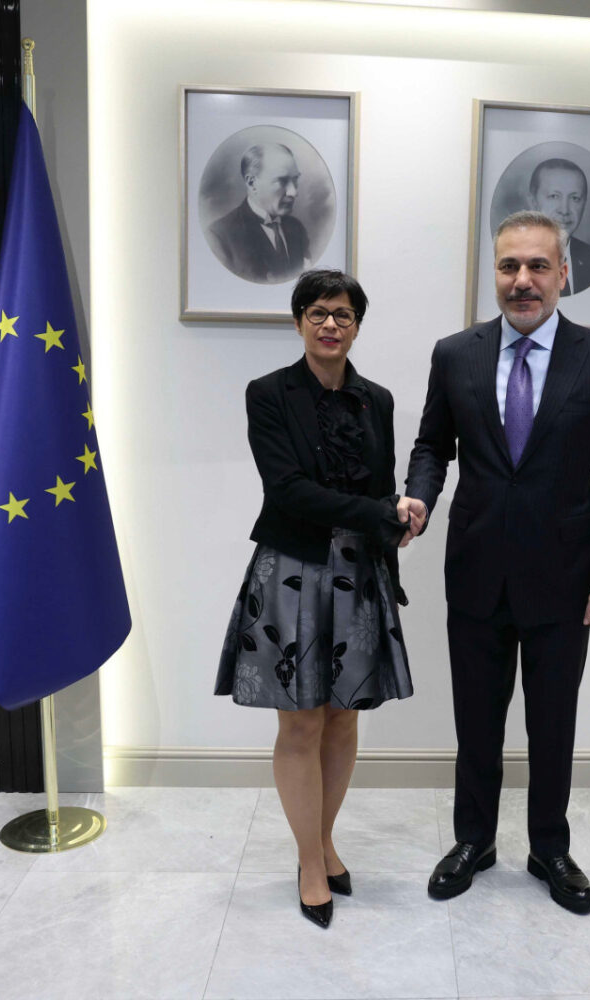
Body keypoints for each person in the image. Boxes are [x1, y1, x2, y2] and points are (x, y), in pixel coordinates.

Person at [399, 211, 590, 914]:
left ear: (564, 273)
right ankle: (473, 841)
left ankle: (549, 848)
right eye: (509, 266)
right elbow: (431, 446)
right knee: (476, 722)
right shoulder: (456, 355)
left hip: (566, 580)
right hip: (476, 570)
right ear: (495, 274)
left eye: (538, 266)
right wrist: (419, 498)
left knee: (552, 724)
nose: (523, 280)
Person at [216, 269, 417, 928]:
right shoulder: (268, 393)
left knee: (343, 716)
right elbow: (288, 490)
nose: (330, 324)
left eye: (343, 314)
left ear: (357, 325)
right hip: (293, 571)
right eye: (317, 312)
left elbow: (383, 487)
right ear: (299, 320)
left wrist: (396, 529)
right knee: (300, 721)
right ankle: (309, 861)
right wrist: (379, 512)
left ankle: (324, 840)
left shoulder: (378, 400)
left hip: (359, 574)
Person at [206, 142, 311, 284]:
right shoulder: (219, 236)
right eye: (282, 181)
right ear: (252, 183)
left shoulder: (297, 228)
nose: (293, 192)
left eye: (295, 179)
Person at [529, 158, 590, 295]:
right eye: (554, 196)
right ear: (533, 203)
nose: (565, 210)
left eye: (575, 198)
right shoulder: (512, 257)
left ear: (584, 204)